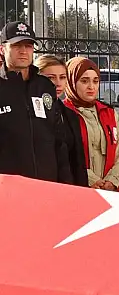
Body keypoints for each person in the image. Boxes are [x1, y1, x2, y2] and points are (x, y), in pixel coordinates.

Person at [0, 21, 75, 184]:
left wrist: (65, 183)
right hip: (9, 190)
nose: (23, 51)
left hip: (47, 187)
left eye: (28, 45)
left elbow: (58, 140)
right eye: (16, 45)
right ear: (2, 49)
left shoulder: (45, 86)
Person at [60, 56, 119, 191]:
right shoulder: (63, 113)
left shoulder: (109, 113)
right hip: (78, 188)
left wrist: (112, 181)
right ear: (71, 82)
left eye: (95, 81)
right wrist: (91, 180)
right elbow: (64, 154)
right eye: (84, 81)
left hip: (111, 190)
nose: (91, 86)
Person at [37, 53, 89, 187]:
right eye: (51, 77)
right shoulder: (30, 112)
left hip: (67, 188)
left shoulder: (70, 115)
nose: (58, 83)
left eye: (62, 77)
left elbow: (77, 161)